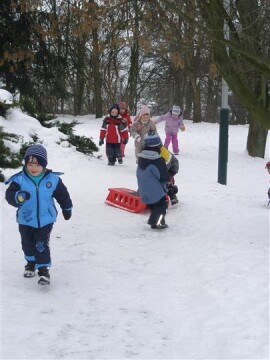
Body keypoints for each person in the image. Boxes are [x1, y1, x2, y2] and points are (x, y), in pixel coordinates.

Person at [5, 144, 73, 286]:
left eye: (37, 164)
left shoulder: (52, 180)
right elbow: (9, 195)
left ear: (44, 164)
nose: (33, 168)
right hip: (25, 219)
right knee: (27, 244)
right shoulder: (19, 179)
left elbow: (63, 195)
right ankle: (30, 263)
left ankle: (43, 270)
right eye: (30, 164)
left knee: (41, 244)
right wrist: (17, 197)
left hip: (46, 220)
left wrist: (67, 207)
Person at [136, 132, 170, 230]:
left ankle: (159, 221)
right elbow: (164, 177)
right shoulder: (157, 161)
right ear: (159, 145)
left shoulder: (141, 159)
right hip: (155, 192)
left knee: (155, 207)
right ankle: (156, 223)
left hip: (143, 191)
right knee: (162, 206)